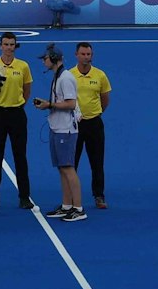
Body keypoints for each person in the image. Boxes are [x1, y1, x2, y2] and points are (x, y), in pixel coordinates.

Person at [33, 44, 86, 221]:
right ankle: (66, 205)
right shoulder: (58, 76)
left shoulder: (65, 78)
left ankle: (78, 208)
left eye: (45, 59)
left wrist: (50, 105)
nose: (43, 62)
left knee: (68, 168)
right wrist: (48, 103)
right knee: (62, 168)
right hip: (57, 127)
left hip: (66, 129)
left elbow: (71, 104)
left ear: (54, 59)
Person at [0, 31, 33, 210]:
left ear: (15, 46)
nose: (9, 48)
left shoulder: (23, 66)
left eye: (12, 44)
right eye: (6, 44)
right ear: (0, 46)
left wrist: (18, 105)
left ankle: (24, 197)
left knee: (20, 157)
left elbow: (27, 90)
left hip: (17, 115)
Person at [70, 42, 112, 210]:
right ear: (76, 55)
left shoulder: (100, 75)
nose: (86, 57)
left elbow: (105, 98)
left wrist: (97, 112)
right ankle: (71, 196)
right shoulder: (69, 75)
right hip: (75, 125)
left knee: (97, 162)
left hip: (94, 123)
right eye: (83, 54)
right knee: (72, 162)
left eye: (88, 54)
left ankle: (99, 195)